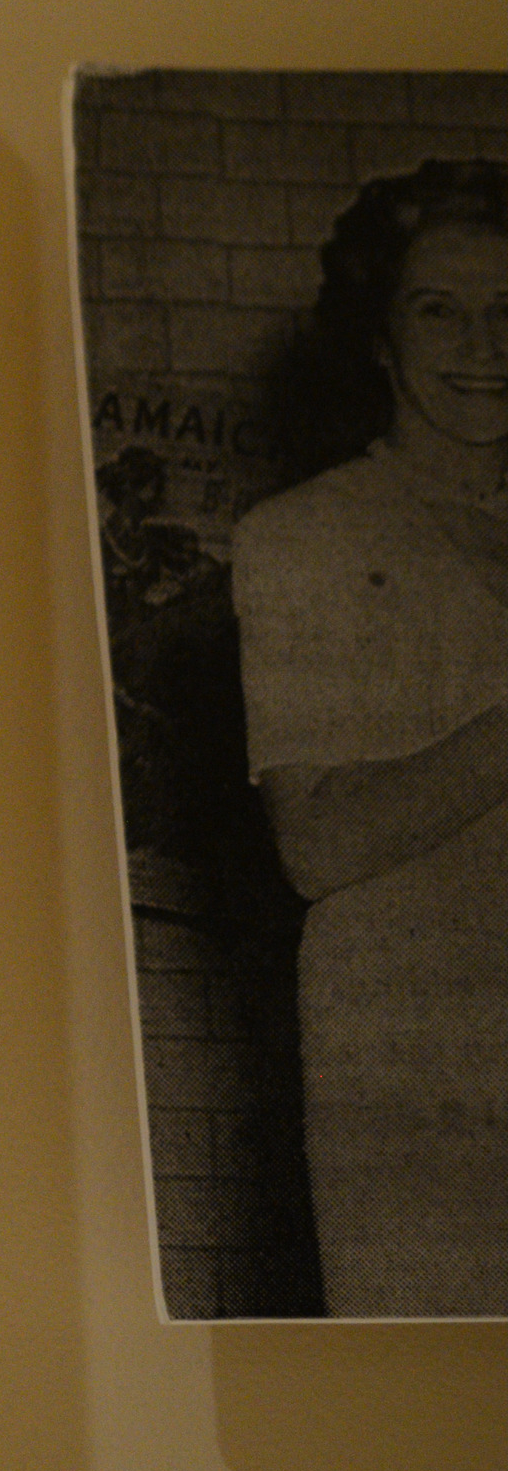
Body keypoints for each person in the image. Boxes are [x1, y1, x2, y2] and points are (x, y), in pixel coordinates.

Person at [233, 158, 508, 1316]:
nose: (480, 343)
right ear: (376, 334)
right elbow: (314, 843)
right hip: (413, 1057)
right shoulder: (302, 538)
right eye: (436, 308)